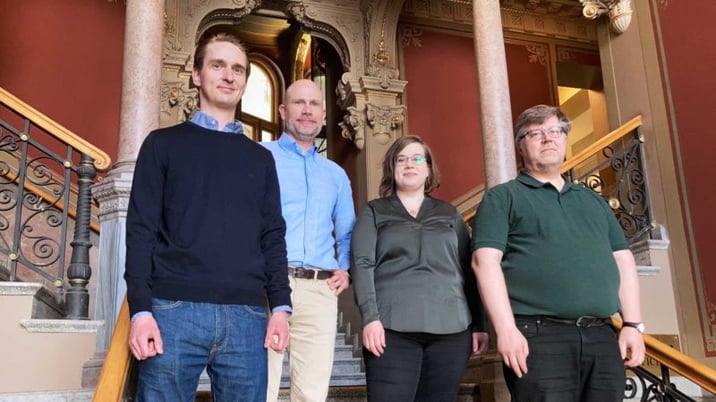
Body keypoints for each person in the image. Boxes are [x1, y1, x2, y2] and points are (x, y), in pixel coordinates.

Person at [124, 31, 291, 402]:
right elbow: (140, 231)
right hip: (172, 311)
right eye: (218, 65)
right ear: (197, 75)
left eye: (238, 69)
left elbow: (272, 236)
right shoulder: (162, 144)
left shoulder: (261, 160)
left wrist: (280, 308)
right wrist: (140, 311)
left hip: (247, 315)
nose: (229, 75)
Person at [471, 104, 646, 402]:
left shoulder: (593, 201)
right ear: (521, 146)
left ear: (565, 139)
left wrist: (631, 324)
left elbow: (623, 260)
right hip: (538, 337)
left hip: (603, 334)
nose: (548, 138)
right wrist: (506, 330)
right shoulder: (503, 198)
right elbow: (484, 263)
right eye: (535, 133)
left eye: (555, 131)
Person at [351, 135, 489, 401]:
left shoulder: (449, 213)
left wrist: (480, 324)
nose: (409, 164)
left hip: (452, 330)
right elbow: (362, 264)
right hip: (390, 329)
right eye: (400, 159)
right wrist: (370, 318)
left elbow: (468, 269)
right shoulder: (374, 211)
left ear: (428, 169)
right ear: (392, 168)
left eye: (417, 159)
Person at [263, 79, 355, 402]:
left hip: (320, 290)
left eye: (314, 104)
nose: (306, 110)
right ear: (283, 111)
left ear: (324, 116)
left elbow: (346, 231)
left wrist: (345, 268)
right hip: (267, 285)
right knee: (261, 388)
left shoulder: (336, 175)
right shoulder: (261, 157)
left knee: (312, 395)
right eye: (299, 103)